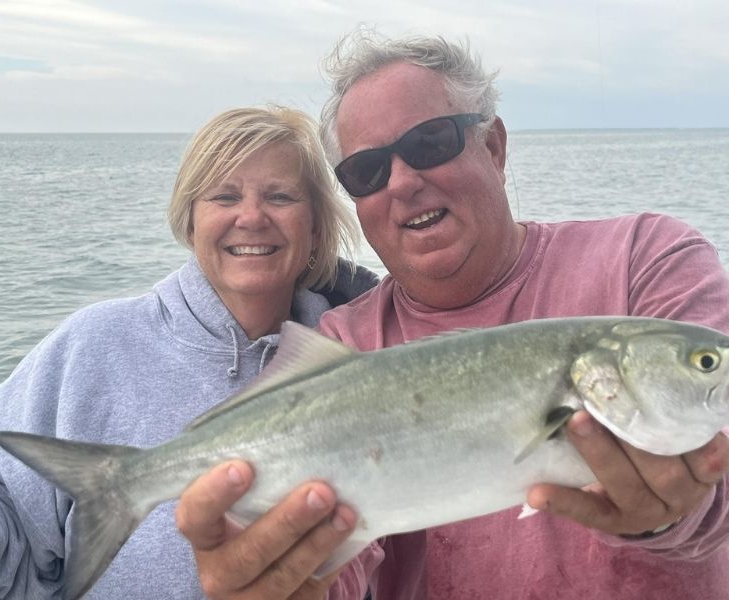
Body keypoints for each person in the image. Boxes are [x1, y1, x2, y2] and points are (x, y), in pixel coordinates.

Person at [175, 31, 729, 599]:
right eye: (367, 172)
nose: (404, 182)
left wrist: (670, 516)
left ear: (493, 146)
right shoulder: (347, 340)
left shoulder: (646, 258)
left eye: (431, 142)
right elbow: (341, 559)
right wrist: (284, 584)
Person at [0, 105, 378, 599]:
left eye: (280, 196)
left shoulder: (363, 351)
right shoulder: (93, 346)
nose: (251, 217)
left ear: (316, 225)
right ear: (189, 222)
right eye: (224, 196)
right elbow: (2, 538)